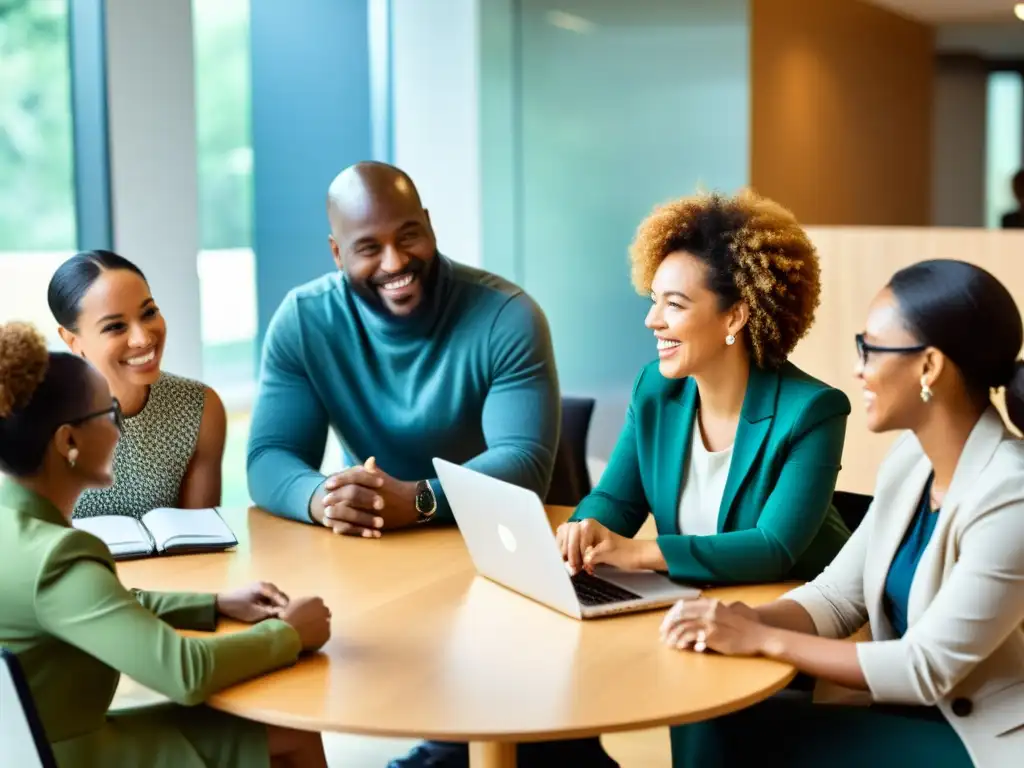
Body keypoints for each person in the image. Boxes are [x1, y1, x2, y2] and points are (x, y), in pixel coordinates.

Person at [247, 162, 614, 768]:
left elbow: (525, 462)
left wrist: (417, 498)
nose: (394, 261)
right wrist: (323, 497)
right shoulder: (305, 320)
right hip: (390, 567)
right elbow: (268, 458)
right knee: (436, 714)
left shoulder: (506, 315)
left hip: (514, 563)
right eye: (369, 247)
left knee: (549, 746)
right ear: (338, 252)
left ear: (430, 227)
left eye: (408, 235)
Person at [660, 259, 1024, 767]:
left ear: (929, 367)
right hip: (903, 715)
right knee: (706, 709)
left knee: (738, 735)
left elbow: (925, 667)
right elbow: (837, 597)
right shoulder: (911, 461)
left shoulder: (1011, 495)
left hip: (976, 740)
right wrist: (741, 619)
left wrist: (764, 638)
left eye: (871, 349)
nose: (858, 368)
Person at [0, 321, 331, 768]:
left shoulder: (14, 529)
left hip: (29, 749)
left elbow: (103, 606)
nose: (121, 431)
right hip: (77, 756)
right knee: (290, 730)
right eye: (110, 415)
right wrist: (288, 633)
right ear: (69, 441)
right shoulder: (58, 557)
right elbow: (184, 672)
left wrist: (214, 604)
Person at [558, 190, 851, 587]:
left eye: (674, 305)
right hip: (696, 606)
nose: (652, 320)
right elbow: (616, 500)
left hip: (796, 611)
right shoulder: (655, 390)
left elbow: (773, 548)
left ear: (733, 318)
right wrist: (586, 528)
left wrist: (639, 553)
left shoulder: (813, 411)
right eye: (654, 300)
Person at [47, 250, 226, 518]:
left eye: (149, 312)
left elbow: (201, 542)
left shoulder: (198, 408)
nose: (142, 339)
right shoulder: (37, 415)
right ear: (73, 341)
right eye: (115, 327)